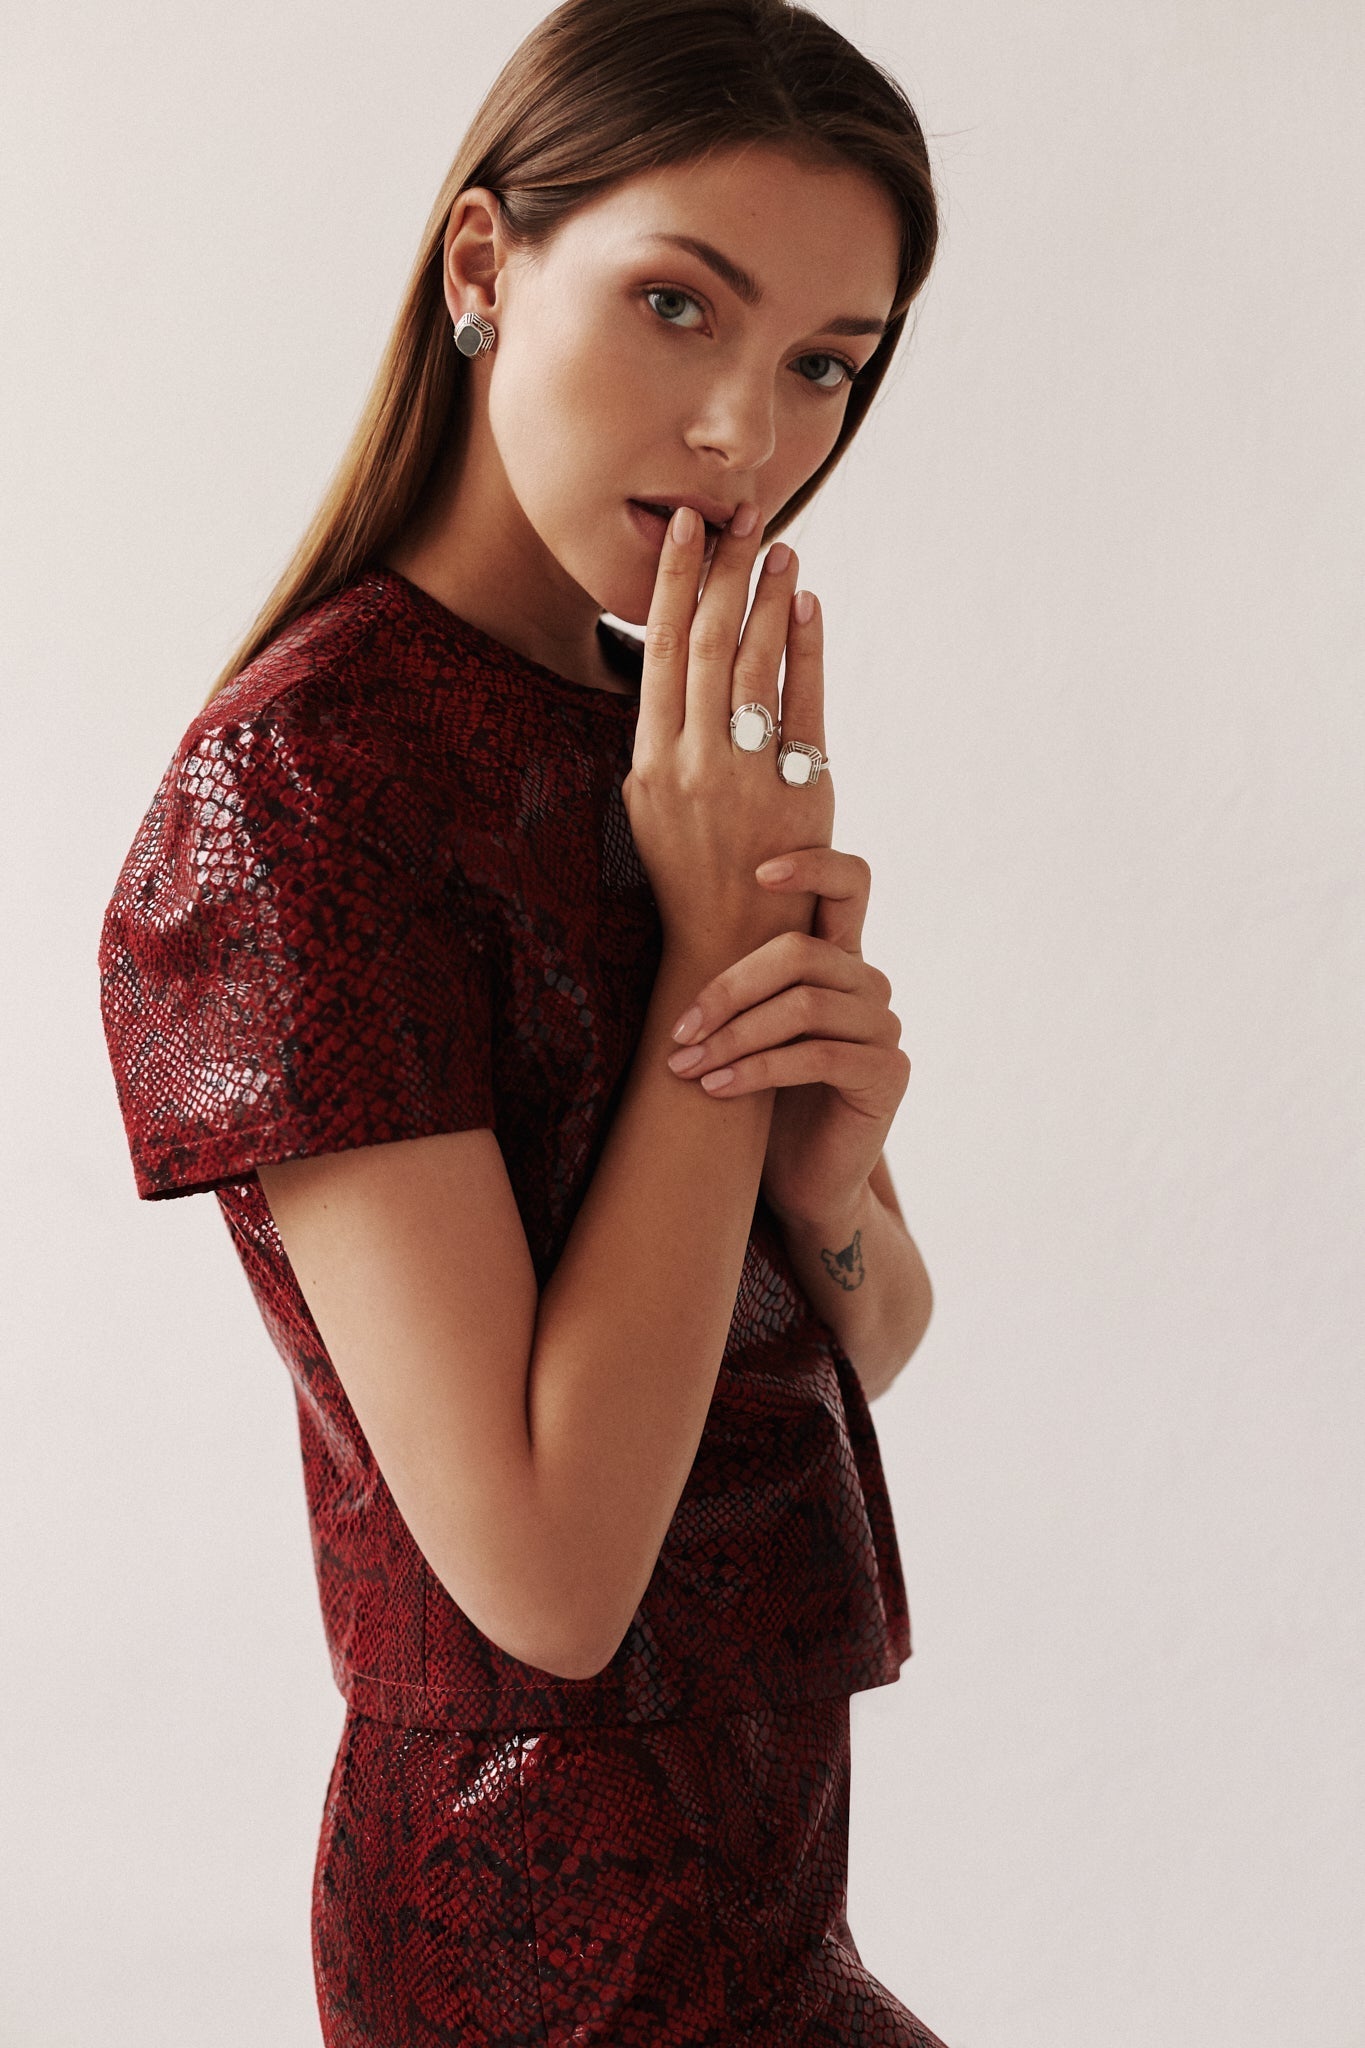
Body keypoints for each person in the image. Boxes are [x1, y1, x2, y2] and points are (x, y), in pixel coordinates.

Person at [98, 1, 950, 2039]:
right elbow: (552, 1576)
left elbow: (868, 1341)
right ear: (481, 262)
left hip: (761, 1901)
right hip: (534, 1932)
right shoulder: (300, 796)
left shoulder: (657, 744)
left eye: (822, 361)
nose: (746, 434)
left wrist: (821, 1175)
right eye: (677, 305)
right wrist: (708, 977)